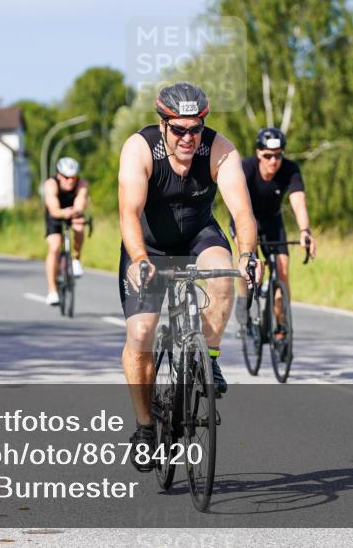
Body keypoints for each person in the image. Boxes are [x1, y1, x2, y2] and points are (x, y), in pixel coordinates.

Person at [117, 82, 260, 471]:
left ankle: (208, 357)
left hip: (199, 235)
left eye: (195, 129)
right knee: (141, 334)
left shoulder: (219, 150)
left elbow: (242, 213)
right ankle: (145, 427)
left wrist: (248, 255)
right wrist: (139, 258)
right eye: (179, 129)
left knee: (223, 277)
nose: (188, 138)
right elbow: (129, 213)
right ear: (163, 124)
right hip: (148, 246)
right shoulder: (140, 148)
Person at [232, 127, 317, 331]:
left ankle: (281, 326)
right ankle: (243, 298)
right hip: (245, 220)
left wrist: (305, 231)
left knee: (282, 271)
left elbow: (298, 202)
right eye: (268, 156)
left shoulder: (290, 169)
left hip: (272, 222)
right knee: (248, 264)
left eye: (278, 155)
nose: (273, 161)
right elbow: (236, 203)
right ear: (258, 153)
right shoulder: (246, 168)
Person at [43, 157, 89, 306]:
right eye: (66, 177)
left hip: (73, 212)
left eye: (73, 177)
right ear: (59, 175)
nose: (70, 181)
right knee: (55, 246)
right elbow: (54, 210)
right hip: (55, 214)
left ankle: (76, 259)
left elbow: (80, 205)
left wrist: (75, 212)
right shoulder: (51, 184)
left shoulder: (81, 184)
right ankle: (52, 291)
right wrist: (64, 213)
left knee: (79, 227)